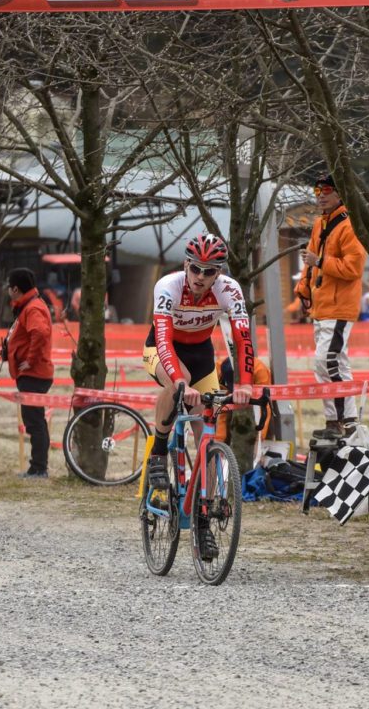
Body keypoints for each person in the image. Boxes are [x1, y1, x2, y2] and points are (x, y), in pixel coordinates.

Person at [143, 234, 254, 561]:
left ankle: (203, 520)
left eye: (210, 271)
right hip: (164, 351)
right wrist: (178, 380)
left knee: (206, 438)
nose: (202, 277)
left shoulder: (229, 290)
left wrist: (244, 382)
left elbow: (243, 340)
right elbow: (163, 339)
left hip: (201, 353)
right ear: (186, 265)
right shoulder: (168, 286)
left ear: (219, 273)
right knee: (181, 385)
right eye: (196, 269)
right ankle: (159, 455)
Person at [294, 174, 366, 438]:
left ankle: (341, 421)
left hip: (339, 306)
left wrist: (320, 261)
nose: (320, 194)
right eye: (317, 190)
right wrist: (303, 289)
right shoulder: (320, 224)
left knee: (328, 362)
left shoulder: (349, 225)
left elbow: (353, 268)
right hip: (323, 306)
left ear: (340, 193)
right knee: (332, 364)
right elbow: (309, 261)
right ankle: (340, 420)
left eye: (326, 190)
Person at [0, 268, 54, 478]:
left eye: (8, 287)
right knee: (34, 420)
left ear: (15, 288)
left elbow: (39, 333)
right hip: (32, 374)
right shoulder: (28, 307)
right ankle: (38, 466)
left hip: (35, 375)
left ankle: (39, 468)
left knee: (34, 422)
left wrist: (29, 361)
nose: (7, 291)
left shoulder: (32, 308)